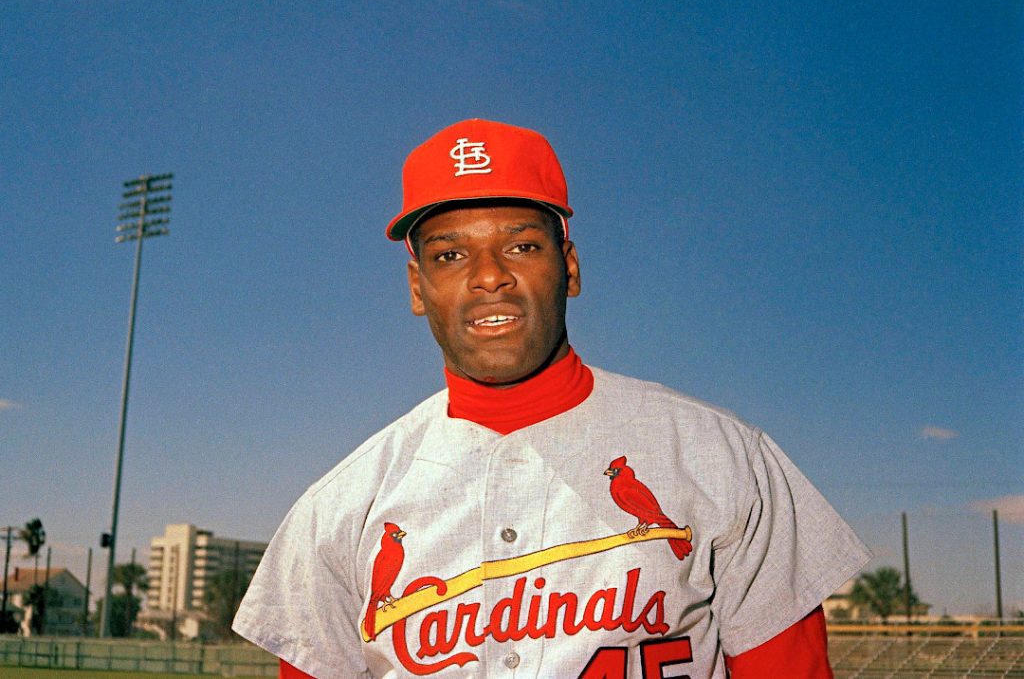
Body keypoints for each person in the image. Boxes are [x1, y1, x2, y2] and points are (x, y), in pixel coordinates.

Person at [233, 118, 871, 678]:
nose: (489, 276)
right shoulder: (336, 513)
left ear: (568, 266)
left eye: (521, 246)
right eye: (451, 254)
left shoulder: (721, 456)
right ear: (418, 287)